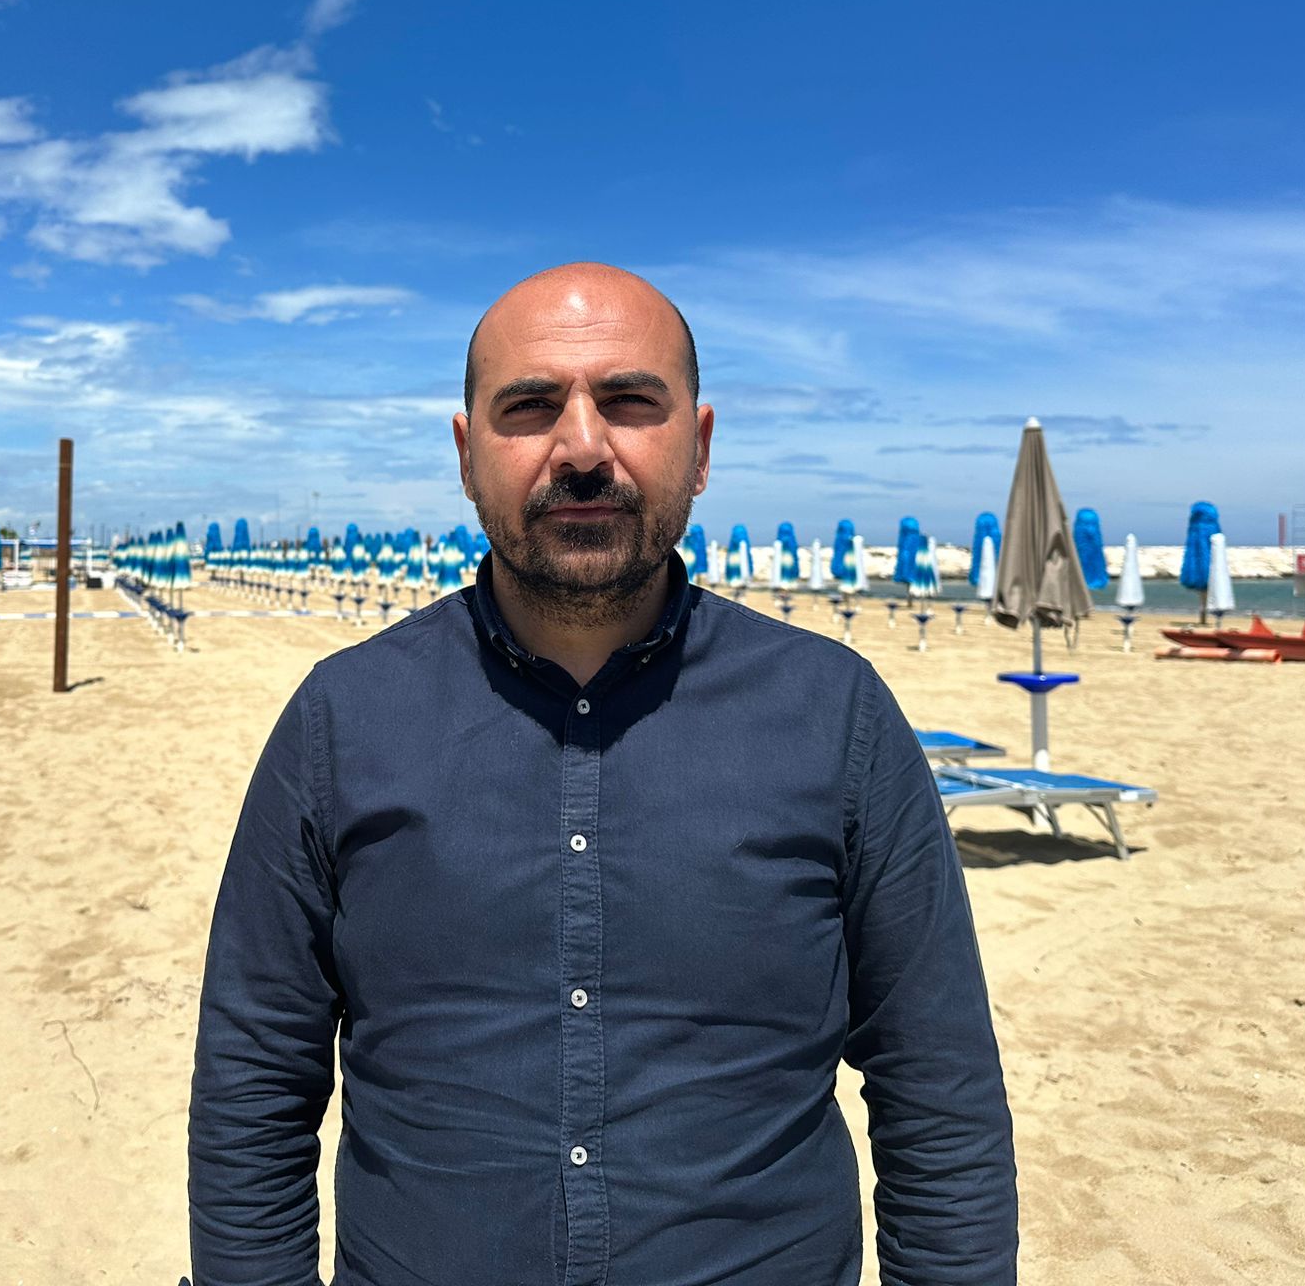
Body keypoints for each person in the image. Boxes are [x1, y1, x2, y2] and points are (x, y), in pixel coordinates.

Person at [189, 263, 1017, 1284]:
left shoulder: (834, 714)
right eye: (529, 407)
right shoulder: (341, 719)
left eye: (628, 401)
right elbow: (253, 1083)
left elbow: (936, 1086)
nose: (582, 447)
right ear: (465, 456)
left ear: (699, 448)